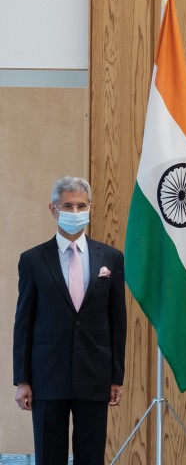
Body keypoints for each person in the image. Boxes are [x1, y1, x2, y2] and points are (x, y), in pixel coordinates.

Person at [12, 176, 127, 465]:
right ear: (53, 209)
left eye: (81, 206)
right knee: (50, 455)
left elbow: (117, 321)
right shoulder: (33, 260)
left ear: (90, 208)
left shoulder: (111, 258)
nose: (75, 212)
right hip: (47, 375)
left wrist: (116, 376)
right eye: (68, 205)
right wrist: (22, 380)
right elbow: (23, 322)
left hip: (95, 374)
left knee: (91, 455)